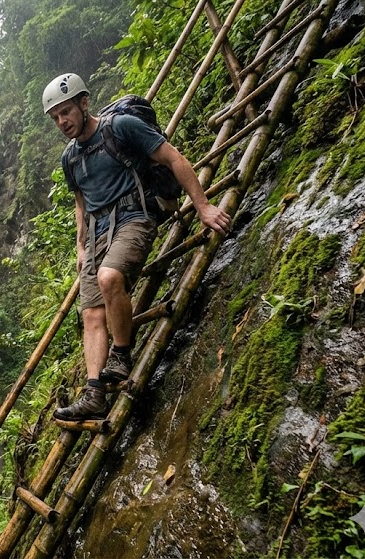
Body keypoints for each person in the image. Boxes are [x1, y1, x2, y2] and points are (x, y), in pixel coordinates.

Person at [43, 73, 231, 420]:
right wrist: (80, 245)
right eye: (55, 117)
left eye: (66, 112)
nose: (62, 122)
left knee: (110, 277)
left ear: (84, 103)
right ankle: (94, 393)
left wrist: (203, 207)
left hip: (136, 217)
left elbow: (173, 158)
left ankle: (122, 354)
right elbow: (81, 203)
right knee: (90, 313)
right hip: (98, 231)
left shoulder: (122, 127)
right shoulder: (70, 158)